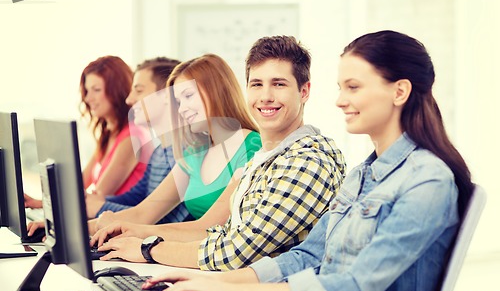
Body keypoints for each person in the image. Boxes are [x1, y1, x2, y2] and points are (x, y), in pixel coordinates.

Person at [141, 30, 474, 291]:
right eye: (341, 88)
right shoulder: (363, 174)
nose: (340, 101)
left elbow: (356, 288)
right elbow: (307, 256)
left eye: (353, 87)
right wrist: (211, 282)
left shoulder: (427, 180)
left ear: (399, 91)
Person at [91, 36, 346, 271]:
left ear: (304, 91)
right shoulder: (255, 160)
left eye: (278, 84)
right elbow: (218, 233)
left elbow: (232, 247)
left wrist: (147, 245)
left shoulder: (288, 156)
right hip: (226, 275)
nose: (266, 96)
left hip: (252, 283)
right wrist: (126, 231)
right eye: (256, 84)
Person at [87, 53, 262, 236]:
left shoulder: (252, 147)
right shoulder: (196, 151)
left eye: (188, 96)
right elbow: (143, 213)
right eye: (178, 101)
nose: (182, 109)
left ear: (215, 90)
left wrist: (128, 229)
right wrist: (85, 228)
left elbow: (207, 227)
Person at [24, 55, 150, 210]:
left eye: (96, 90)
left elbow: (96, 198)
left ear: (117, 90)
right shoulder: (108, 134)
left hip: (115, 224)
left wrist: (46, 206)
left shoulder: (132, 137)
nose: (88, 98)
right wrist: (41, 203)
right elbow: (80, 184)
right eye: (87, 90)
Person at [85, 57, 192, 224]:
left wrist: (99, 208)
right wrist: (99, 203)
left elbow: (161, 220)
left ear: (166, 94)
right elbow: (137, 198)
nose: (129, 100)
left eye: (139, 90)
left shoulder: (188, 152)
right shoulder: (159, 152)